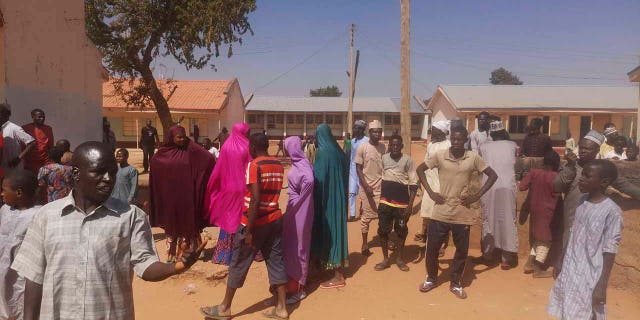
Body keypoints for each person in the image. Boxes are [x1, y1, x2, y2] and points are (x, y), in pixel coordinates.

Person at [11, 141, 206, 320]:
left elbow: (145, 265)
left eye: (112, 173)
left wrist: (177, 267)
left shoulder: (131, 216)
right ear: (77, 174)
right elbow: (34, 278)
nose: (108, 179)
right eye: (99, 172)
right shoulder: (46, 216)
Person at [200, 133, 288, 320]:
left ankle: (225, 308)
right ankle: (282, 307)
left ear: (253, 148)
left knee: (239, 262)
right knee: (276, 260)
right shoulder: (278, 165)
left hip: (255, 222)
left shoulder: (254, 165)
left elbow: (255, 199)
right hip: (274, 218)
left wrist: (249, 230)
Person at [416, 126, 498, 299]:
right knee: (432, 248)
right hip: (441, 212)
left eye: (460, 139)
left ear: (465, 140)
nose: (456, 142)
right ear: (450, 138)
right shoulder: (440, 155)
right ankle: (431, 278)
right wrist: (430, 193)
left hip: (462, 213)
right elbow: (420, 170)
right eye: (453, 138)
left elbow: (492, 175)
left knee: (461, 251)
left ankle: (455, 282)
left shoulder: (473, 157)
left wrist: (476, 196)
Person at [554, 131, 640, 273]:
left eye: (587, 149)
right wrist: (569, 167)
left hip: (595, 218)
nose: (582, 151)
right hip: (572, 217)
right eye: (581, 147)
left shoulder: (603, 169)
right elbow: (557, 186)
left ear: (597, 150)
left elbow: (624, 186)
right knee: (568, 244)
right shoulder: (571, 166)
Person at [548, 160, 622, 320]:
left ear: (604, 182)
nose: (581, 179)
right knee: (568, 309)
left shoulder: (612, 212)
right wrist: (561, 260)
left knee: (585, 311)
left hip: (590, 274)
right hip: (571, 267)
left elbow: (610, 250)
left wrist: (601, 285)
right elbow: (573, 232)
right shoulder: (582, 201)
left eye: (587, 176)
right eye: (582, 175)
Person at [150, 125, 215, 262]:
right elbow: (155, 164)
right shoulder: (162, 153)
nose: (181, 140)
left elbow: (208, 158)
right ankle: (172, 255)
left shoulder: (191, 149)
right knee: (171, 224)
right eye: (178, 137)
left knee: (188, 222)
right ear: (171, 137)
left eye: (183, 137)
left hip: (187, 195)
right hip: (170, 195)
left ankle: (190, 254)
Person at [205, 123, 251, 268]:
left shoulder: (225, 146)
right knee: (242, 219)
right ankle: (242, 253)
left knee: (228, 219)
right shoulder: (248, 147)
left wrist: (213, 186)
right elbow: (251, 167)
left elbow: (219, 169)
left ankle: (223, 254)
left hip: (227, 188)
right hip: (243, 188)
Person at [311, 124, 349, 289]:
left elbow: (317, 179)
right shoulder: (338, 152)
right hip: (339, 198)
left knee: (329, 230)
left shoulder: (323, 154)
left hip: (327, 200)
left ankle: (338, 275)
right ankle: (325, 266)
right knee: (336, 230)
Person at [477, 121, 519, 270]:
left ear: (491, 134)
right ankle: (506, 258)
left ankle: (488, 254)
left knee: (489, 219)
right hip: (507, 186)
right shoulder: (512, 145)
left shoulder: (483, 147)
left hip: (489, 187)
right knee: (508, 219)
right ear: (503, 132)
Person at [374, 135, 418, 272]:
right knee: (383, 231)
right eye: (392, 145)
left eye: (397, 145)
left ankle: (399, 258)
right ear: (389, 146)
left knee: (401, 232)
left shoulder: (408, 160)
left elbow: (413, 183)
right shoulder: (384, 159)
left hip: (402, 205)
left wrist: (410, 205)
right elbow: (377, 178)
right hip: (385, 202)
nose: (394, 148)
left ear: (401, 146)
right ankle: (386, 259)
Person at [0, 170, 40, 320]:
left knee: (19, 304)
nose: (2, 194)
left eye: (4, 190)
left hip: (21, 276)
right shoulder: (5, 210)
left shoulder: (38, 215)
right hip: (2, 270)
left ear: (18, 193)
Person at [282, 136, 314, 304]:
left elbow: (309, 180)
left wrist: (301, 199)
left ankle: (300, 288)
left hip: (302, 210)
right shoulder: (298, 163)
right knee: (290, 246)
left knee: (300, 246)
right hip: (293, 209)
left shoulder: (303, 165)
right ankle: (290, 285)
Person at [519, 150, 561, 278]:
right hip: (549, 211)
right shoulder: (556, 176)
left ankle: (529, 263)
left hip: (535, 210)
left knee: (539, 238)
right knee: (546, 240)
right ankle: (537, 269)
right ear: (556, 164)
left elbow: (521, 187)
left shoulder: (534, 173)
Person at [416, 121, 451, 251]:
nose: (431, 132)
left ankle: (442, 244)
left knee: (441, 215)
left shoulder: (449, 145)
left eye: (434, 129)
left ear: (441, 131)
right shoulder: (430, 145)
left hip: (442, 183)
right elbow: (425, 163)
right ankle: (429, 240)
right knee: (428, 213)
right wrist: (419, 181)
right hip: (430, 183)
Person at [355, 119, 385, 256]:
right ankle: (365, 243)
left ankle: (384, 239)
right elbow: (358, 168)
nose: (377, 134)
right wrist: (366, 186)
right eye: (375, 132)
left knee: (384, 216)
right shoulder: (363, 147)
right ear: (370, 132)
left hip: (381, 187)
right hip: (366, 188)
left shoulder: (383, 147)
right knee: (366, 217)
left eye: (379, 132)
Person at [0, 103, 35, 173]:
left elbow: (32, 142)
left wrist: (19, 158)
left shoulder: (14, 128)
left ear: (5, 114)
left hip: (13, 169)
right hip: (2, 169)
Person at [348, 120, 369, 221]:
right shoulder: (352, 141)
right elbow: (352, 155)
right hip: (352, 170)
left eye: (355, 128)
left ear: (361, 129)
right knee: (351, 193)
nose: (353, 130)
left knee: (363, 192)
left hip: (362, 170)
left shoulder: (367, 141)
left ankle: (364, 210)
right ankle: (352, 214)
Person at [22, 108, 54, 173]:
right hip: (29, 163)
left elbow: (50, 147)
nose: (42, 118)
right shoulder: (25, 128)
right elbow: (22, 146)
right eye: (39, 117)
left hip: (45, 162)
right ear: (33, 117)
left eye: (43, 117)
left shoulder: (48, 129)